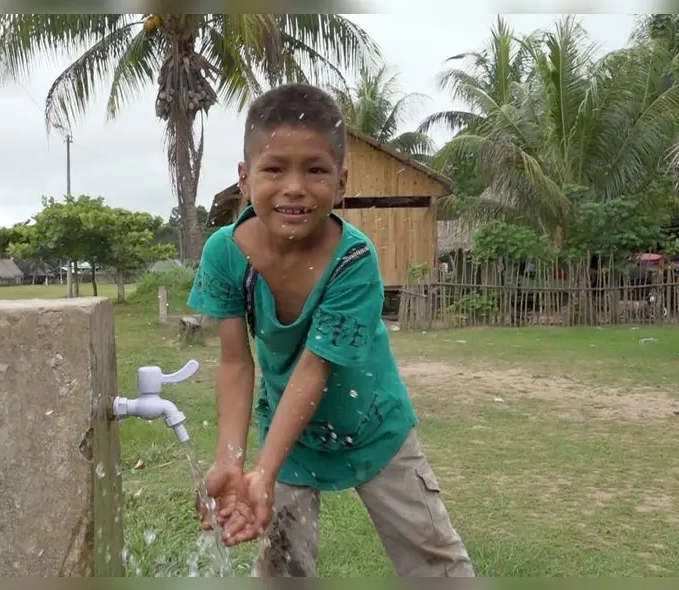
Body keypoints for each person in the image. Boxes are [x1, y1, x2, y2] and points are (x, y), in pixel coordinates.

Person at [186, 82, 475, 578]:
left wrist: (266, 470)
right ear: (244, 177)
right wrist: (231, 462)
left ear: (341, 182)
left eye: (315, 170)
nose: (294, 187)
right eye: (274, 168)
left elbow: (315, 367)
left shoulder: (354, 259)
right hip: (289, 431)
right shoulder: (225, 254)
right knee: (283, 567)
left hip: (373, 425)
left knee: (434, 559)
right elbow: (236, 361)